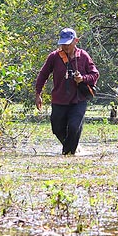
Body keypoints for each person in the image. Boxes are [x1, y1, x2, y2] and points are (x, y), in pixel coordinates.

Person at [35, 27, 99, 155]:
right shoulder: (54, 57)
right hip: (59, 100)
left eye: (68, 43)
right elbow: (43, 75)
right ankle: (72, 147)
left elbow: (95, 75)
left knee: (74, 127)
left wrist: (82, 78)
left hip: (78, 100)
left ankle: (69, 153)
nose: (65, 47)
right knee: (57, 128)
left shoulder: (84, 56)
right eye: (63, 44)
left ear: (76, 41)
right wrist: (38, 94)